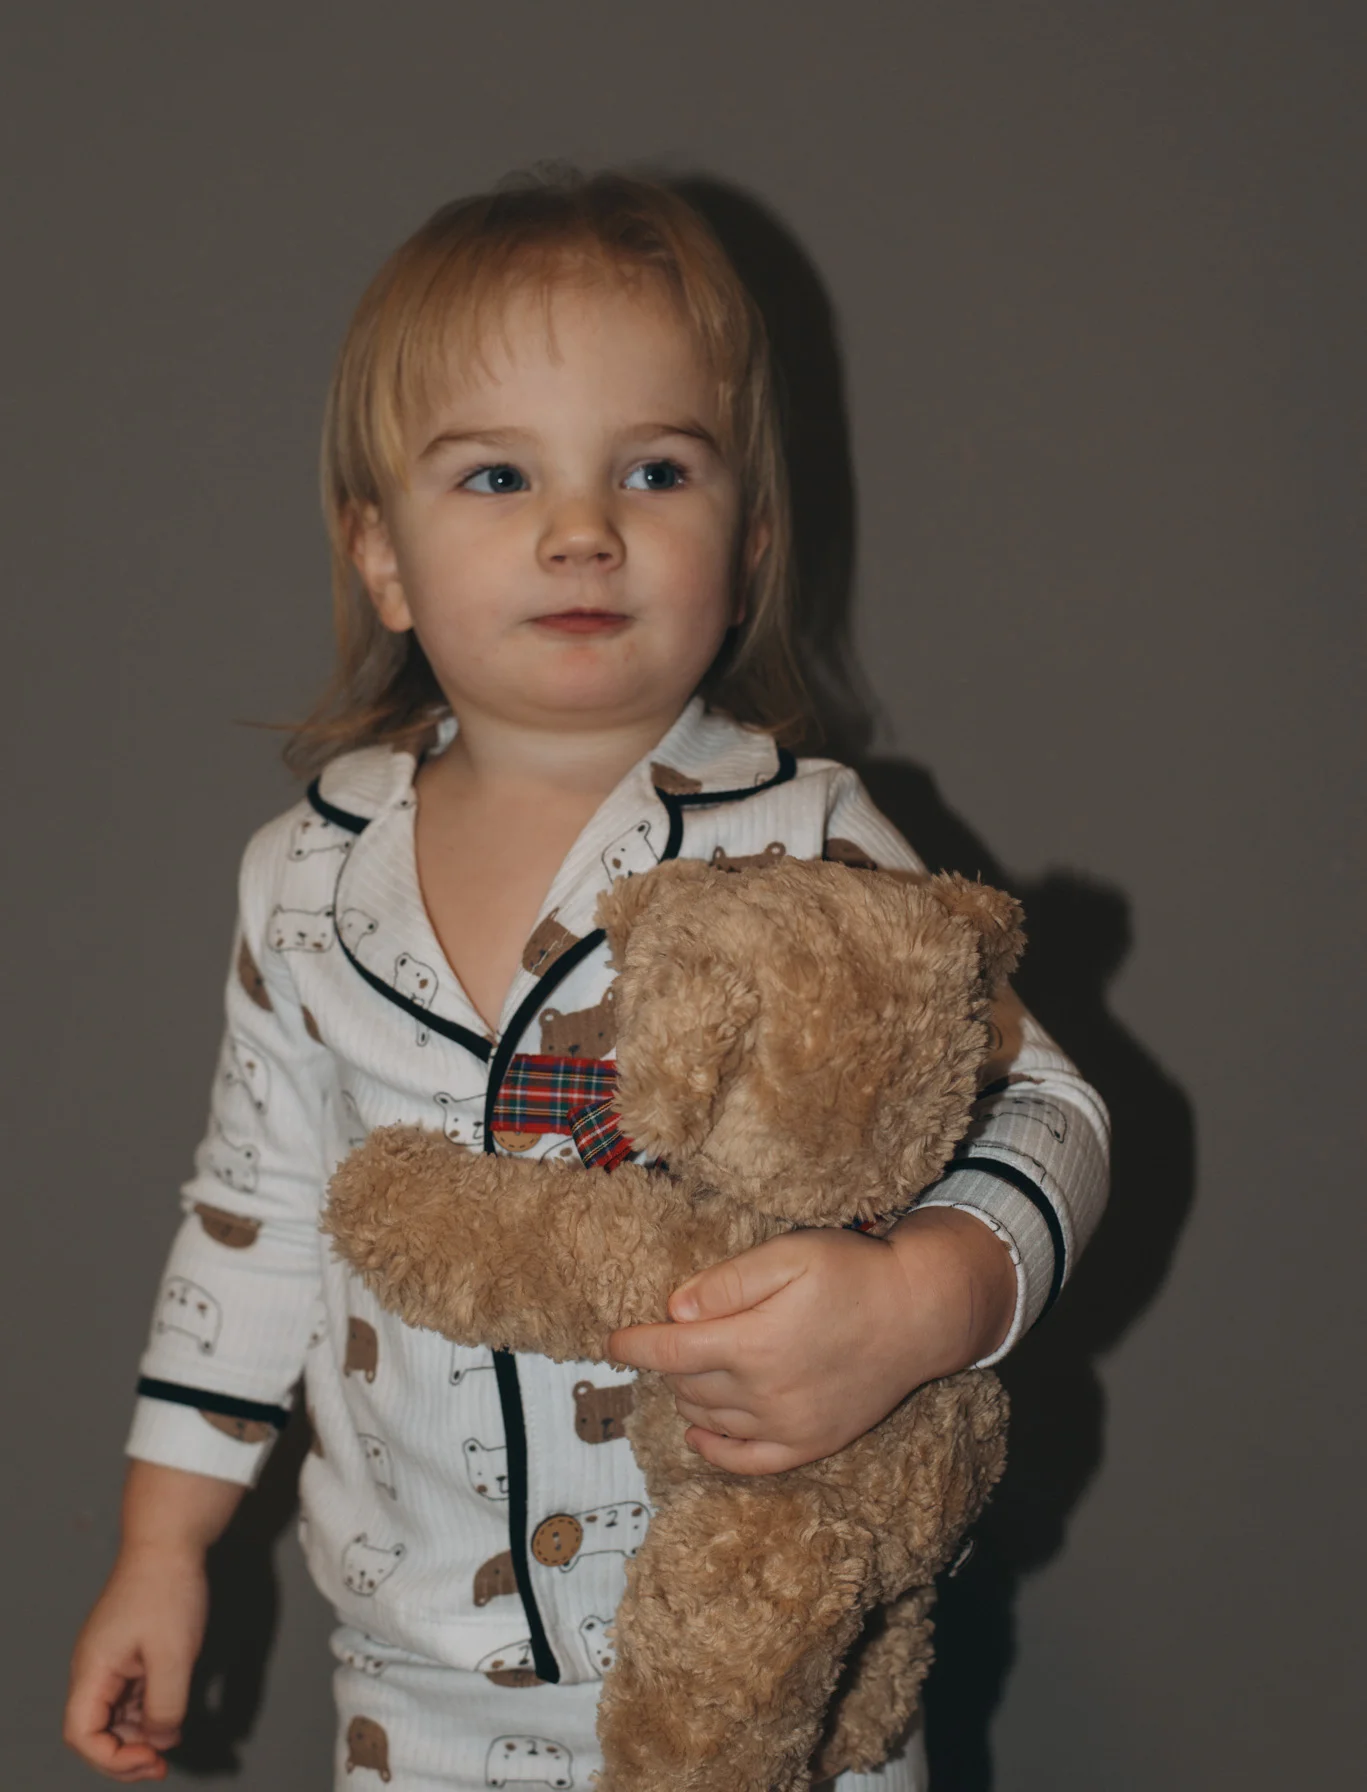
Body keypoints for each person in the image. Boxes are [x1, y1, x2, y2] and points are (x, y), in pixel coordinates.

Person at [63, 170, 1109, 1791]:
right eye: (497, 474)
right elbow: (253, 1221)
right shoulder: (303, 879)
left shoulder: (809, 843)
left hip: (768, 1678)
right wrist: (164, 1543)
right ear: (382, 556)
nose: (579, 530)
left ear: (745, 547)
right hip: (412, 1686)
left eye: (653, 470)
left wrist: (928, 1297)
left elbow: (1050, 1109)